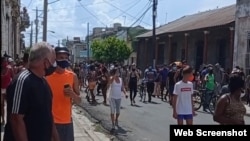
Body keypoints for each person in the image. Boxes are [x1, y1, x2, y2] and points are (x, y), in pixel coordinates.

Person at [3, 42, 60, 141]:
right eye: (53, 61)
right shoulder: (22, 81)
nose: (54, 65)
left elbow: (48, 115)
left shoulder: (44, 83)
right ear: (46, 62)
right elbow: (16, 119)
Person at [46, 47, 81, 141]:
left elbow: (79, 101)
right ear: (54, 59)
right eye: (61, 57)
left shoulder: (72, 76)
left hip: (67, 122)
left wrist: (72, 94)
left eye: (66, 57)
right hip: (51, 123)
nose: (64, 60)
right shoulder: (46, 77)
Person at [1, 57, 14, 127]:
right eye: (3, 61)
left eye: (5, 61)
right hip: (1, 89)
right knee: (2, 105)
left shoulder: (10, 69)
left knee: (9, 105)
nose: (5, 63)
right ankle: (3, 120)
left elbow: (14, 78)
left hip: (8, 89)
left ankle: (9, 120)